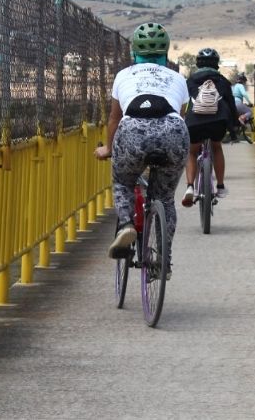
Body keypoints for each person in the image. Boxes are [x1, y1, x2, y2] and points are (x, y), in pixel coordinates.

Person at [94, 22, 190, 262]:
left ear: (134, 51)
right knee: (165, 198)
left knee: (123, 183)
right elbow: (181, 116)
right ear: (165, 52)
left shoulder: (123, 75)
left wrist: (108, 148)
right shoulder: (178, 78)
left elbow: (114, 119)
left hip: (133, 131)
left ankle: (126, 224)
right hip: (172, 131)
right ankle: (163, 260)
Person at [182, 48, 237, 206]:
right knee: (216, 147)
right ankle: (220, 186)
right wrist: (233, 126)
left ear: (198, 64)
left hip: (194, 121)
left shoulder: (189, 81)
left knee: (192, 152)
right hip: (217, 121)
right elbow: (231, 105)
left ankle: (190, 186)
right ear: (216, 64)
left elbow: (182, 103)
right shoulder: (223, 81)